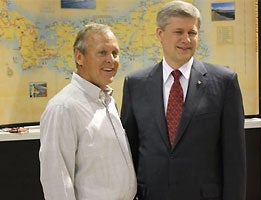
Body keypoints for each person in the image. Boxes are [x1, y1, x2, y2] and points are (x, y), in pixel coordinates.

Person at [120, 1, 246, 200]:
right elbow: (129, 151)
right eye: (178, 32)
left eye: (192, 33)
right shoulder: (135, 84)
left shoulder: (224, 82)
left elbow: (234, 158)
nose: (186, 39)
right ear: (160, 34)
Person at [39, 23, 137, 200]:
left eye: (115, 53)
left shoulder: (108, 101)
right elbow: (57, 180)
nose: (111, 60)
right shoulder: (63, 107)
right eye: (102, 52)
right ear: (79, 57)